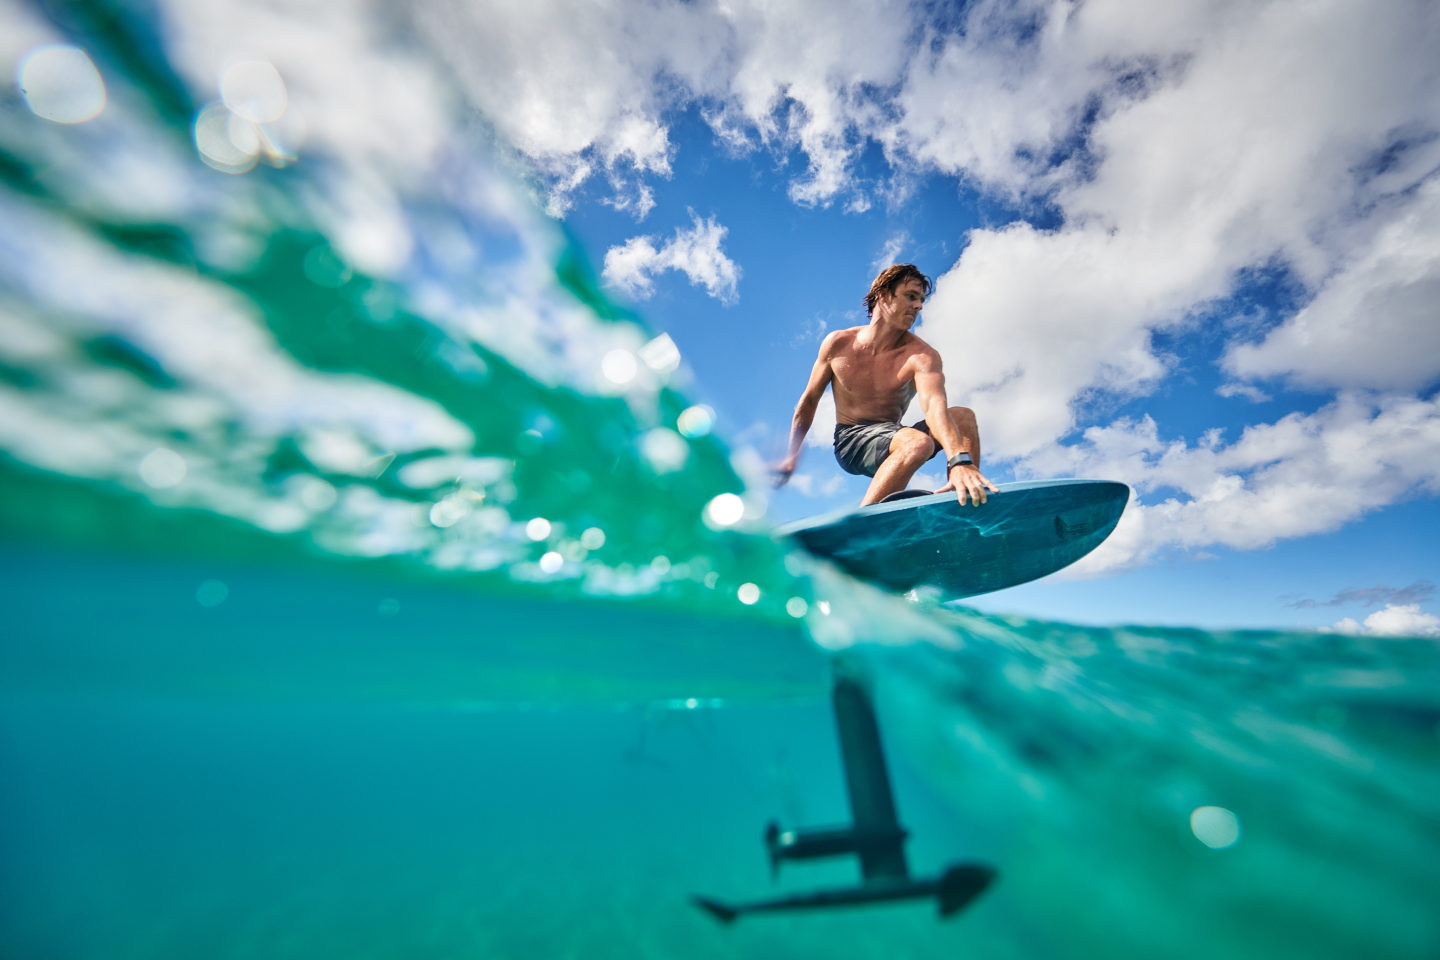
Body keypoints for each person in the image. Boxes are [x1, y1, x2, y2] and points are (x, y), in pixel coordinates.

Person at [771, 263, 998, 507]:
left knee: (963, 417)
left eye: (921, 300)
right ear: (883, 294)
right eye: (911, 296)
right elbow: (810, 400)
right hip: (852, 439)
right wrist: (790, 454)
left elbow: (934, 407)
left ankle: (964, 496)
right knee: (917, 443)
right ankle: (864, 523)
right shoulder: (838, 344)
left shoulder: (922, 356)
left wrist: (959, 460)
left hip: (896, 436)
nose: (919, 305)